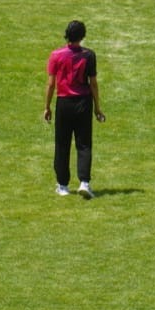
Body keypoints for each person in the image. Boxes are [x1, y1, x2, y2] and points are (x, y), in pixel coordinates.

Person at [44, 19, 104, 198]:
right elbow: (93, 84)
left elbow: (50, 84)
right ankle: (84, 182)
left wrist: (47, 107)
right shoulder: (89, 55)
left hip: (64, 102)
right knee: (84, 143)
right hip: (83, 102)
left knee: (62, 144)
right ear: (82, 36)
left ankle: (62, 185)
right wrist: (97, 108)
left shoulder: (56, 55)